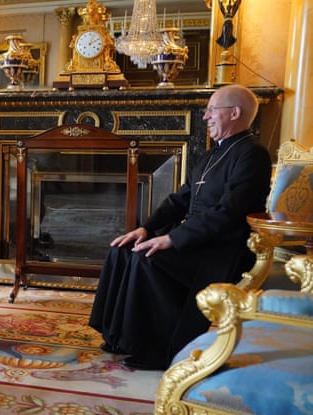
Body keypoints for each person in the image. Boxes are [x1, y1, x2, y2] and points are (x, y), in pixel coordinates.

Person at [89, 84, 272, 370]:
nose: (205, 117)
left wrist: (172, 240)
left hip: (223, 249)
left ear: (234, 113)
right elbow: (179, 200)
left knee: (147, 259)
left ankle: (156, 351)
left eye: (212, 110)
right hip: (195, 240)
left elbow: (229, 213)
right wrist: (147, 230)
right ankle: (118, 336)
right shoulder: (212, 156)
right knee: (123, 249)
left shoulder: (252, 155)